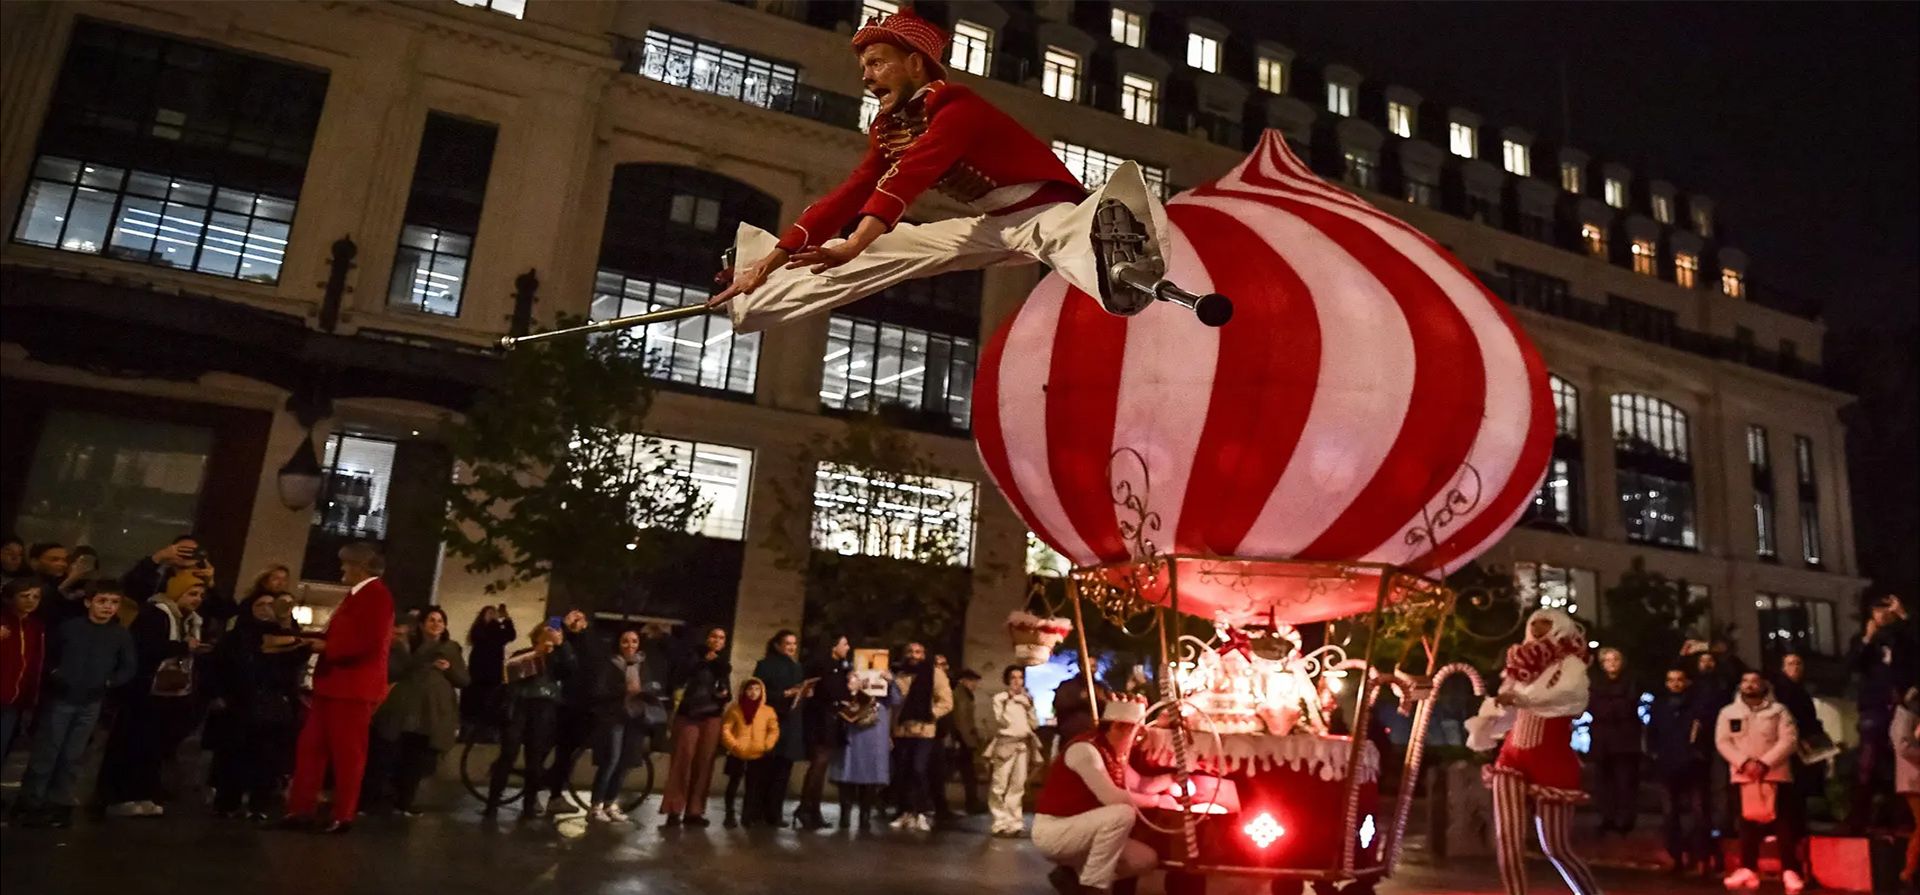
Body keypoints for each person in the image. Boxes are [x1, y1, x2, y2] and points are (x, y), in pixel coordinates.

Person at [707, 8, 1193, 335]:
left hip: (1042, 208)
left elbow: (910, 175)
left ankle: (1123, 255)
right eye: (864, 66)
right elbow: (853, 192)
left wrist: (858, 238)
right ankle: (758, 294)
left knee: (1061, 231)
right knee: (883, 251)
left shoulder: (956, 108)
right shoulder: (891, 128)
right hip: (992, 227)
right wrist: (774, 260)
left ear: (915, 64)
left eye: (877, 62)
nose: (866, 75)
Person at [1470, 608, 1602, 895]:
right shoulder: (1520, 666)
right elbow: (1502, 706)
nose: (1539, 628)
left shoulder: (1571, 664)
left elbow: (1571, 698)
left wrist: (1520, 699)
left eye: (1547, 623)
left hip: (1552, 760)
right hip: (1512, 757)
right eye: (1535, 623)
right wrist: (1496, 708)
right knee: (1507, 837)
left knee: (1555, 846)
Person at [278, 542, 395, 834]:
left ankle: (343, 814)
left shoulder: (376, 596)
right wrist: (310, 638)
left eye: (346, 564)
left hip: (351, 688)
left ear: (360, 567)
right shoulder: (362, 596)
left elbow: (368, 641)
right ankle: (301, 809)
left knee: (347, 753)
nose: (342, 569)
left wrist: (326, 646)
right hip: (336, 685)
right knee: (311, 749)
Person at [12, 584, 137, 828]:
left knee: (72, 755)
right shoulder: (70, 628)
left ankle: (59, 803)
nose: (108, 607)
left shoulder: (120, 634)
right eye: (103, 601)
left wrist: (109, 681)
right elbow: (48, 656)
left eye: (113, 602)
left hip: (91, 700)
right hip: (62, 698)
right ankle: (31, 801)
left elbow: (128, 666)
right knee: (48, 751)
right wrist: (57, 676)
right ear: (89, 602)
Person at [1031, 693, 1170, 895]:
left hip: (1087, 828)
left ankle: (1073, 877)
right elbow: (1111, 797)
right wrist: (1157, 801)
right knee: (1122, 814)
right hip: (1056, 829)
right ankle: (1092, 887)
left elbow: (1139, 784)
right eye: (1135, 733)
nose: (1137, 740)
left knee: (1145, 859)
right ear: (1116, 727)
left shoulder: (1115, 753)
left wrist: (1172, 781)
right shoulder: (1085, 750)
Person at [97, 569, 207, 817]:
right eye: (192, 593)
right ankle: (119, 796)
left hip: (166, 694)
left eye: (200, 594)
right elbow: (144, 647)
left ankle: (141, 792)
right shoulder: (156, 615)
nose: (197, 598)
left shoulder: (187, 619)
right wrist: (182, 647)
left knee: (152, 748)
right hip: (143, 692)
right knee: (132, 744)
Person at [205, 591, 309, 819]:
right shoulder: (236, 637)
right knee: (233, 754)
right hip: (238, 703)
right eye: (260, 605)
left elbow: (296, 661)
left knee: (265, 756)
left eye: (271, 605)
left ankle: (258, 803)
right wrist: (219, 694)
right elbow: (218, 666)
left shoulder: (286, 637)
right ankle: (227, 802)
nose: (266, 609)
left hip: (271, 704)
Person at [372, 606, 468, 816]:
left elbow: (463, 679)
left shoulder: (450, 647)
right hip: (405, 706)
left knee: (418, 756)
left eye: (440, 621)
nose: (436, 624)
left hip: (432, 710)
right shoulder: (409, 645)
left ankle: (405, 800)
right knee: (393, 751)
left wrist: (448, 669)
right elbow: (396, 670)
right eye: (431, 620)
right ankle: (382, 798)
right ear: (423, 624)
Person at [1716, 671, 1806, 894]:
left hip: (1776, 775)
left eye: (1754, 682)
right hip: (1743, 776)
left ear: (1763, 685)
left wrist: (1765, 763)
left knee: (1783, 824)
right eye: (1745, 681)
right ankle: (1747, 867)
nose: (1749, 685)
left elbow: (1789, 740)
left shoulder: (1779, 711)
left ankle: (1790, 870)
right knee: (1746, 824)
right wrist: (1744, 763)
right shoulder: (1728, 713)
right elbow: (1723, 741)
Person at [1848, 594, 1917, 834]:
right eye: (1878, 610)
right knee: (1868, 761)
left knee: (1902, 761)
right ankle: (1858, 819)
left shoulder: (1902, 638)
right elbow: (1854, 664)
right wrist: (1868, 637)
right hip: (1874, 705)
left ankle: (1900, 817)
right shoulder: (1865, 641)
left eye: (1887, 610)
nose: (1883, 614)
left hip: (1900, 705)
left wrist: (1904, 616)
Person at [487, 622, 568, 819]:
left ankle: (529, 805)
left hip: (544, 709)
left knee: (535, 759)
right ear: (537, 635)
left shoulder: (557, 659)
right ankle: (492, 802)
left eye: (555, 633)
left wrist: (562, 646)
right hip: (520, 707)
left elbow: (571, 667)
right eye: (547, 633)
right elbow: (511, 677)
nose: (551, 636)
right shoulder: (523, 654)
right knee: (508, 754)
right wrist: (536, 654)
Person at [659, 625, 730, 828]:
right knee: (683, 760)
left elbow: (727, 690)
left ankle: (695, 811)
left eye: (721, 637)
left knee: (705, 763)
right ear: (707, 638)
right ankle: (673, 809)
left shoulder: (722, 665)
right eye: (714, 636)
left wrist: (724, 695)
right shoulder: (692, 657)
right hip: (689, 714)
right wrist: (700, 664)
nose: (717, 640)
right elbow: (678, 679)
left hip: (712, 715)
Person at [1647, 665, 1714, 876]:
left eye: (1679, 679)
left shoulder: (1698, 706)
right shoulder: (1660, 706)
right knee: (1670, 815)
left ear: (1686, 682)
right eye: (1671, 680)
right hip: (1668, 766)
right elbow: (1652, 734)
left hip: (1693, 766)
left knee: (1699, 813)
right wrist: (1655, 754)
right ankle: (1676, 856)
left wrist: (1698, 752)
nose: (1675, 683)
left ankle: (1702, 856)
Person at [544, 609, 606, 814]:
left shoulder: (589, 642)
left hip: (581, 706)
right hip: (560, 704)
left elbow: (593, 661)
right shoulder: (559, 637)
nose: (577, 622)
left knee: (568, 753)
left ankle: (553, 787)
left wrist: (580, 631)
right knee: (551, 749)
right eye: (574, 618)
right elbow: (550, 634)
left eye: (581, 619)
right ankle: (548, 790)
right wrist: (562, 622)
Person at [587, 628, 651, 823]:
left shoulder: (643, 664)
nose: (630, 645)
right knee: (611, 760)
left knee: (625, 763)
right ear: (618, 643)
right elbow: (599, 690)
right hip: (613, 717)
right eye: (625, 641)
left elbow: (651, 686)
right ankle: (595, 805)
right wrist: (624, 690)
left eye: (634, 641)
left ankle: (610, 803)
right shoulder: (609, 664)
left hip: (635, 719)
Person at [889, 640, 952, 832]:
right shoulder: (898, 675)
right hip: (902, 731)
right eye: (910, 651)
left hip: (924, 730)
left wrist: (929, 713)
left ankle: (922, 812)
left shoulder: (935, 674)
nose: (913, 655)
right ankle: (905, 811)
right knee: (902, 772)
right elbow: (894, 706)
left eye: (918, 652)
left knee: (918, 769)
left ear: (924, 655)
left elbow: (946, 701)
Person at [1770, 652, 1831, 851]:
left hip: (1802, 745)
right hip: (1794, 747)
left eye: (1798, 663)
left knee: (1799, 792)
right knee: (1793, 793)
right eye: (1790, 664)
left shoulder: (1799, 691)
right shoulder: (1784, 691)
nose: (1795, 667)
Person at [749, 629, 806, 828]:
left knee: (783, 770)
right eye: (788, 643)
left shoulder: (797, 667)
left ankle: (775, 813)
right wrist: (784, 693)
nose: (792, 647)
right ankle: (754, 812)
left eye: (794, 643)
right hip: (769, 721)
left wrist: (803, 692)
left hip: (790, 723)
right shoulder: (765, 666)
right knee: (762, 769)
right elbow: (757, 692)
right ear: (777, 645)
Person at [796, 633, 853, 830]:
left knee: (821, 767)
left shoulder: (842, 668)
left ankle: (812, 810)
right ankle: (806, 808)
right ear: (833, 646)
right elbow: (823, 691)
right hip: (820, 721)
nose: (847, 647)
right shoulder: (821, 665)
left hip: (832, 721)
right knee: (818, 765)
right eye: (844, 644)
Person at [833, 666, 899, 832]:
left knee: (870, 774)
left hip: (875, 731)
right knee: (848, 773)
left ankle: (865, 816)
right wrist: (850, 685)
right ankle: (845, 815)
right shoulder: (850, 675)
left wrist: (891, 682)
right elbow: (839, 698)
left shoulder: (886, 677)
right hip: (853, 728)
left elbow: (897, 700)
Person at [1588, 646, 1642, 834]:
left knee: (1625, 782)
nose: (1611, 664)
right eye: (1608, 660)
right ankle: (1607, 817)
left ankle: (1625, 819)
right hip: (1603, 740)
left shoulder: (1630, 681)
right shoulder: (1596, 683)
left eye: (1615, 660)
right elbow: (1593, 705)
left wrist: (1610, 705)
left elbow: (1628, 706)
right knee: (1604, 783)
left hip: (1625, 741)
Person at [987, 665, 1042, 838]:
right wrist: (1009, 701)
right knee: (999, 783)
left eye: (1020, 677)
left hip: (1023, 745)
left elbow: (1034, 724)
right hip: (1005, 743)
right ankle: (999, 821)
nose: (1017, 681)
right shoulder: (1000, 698)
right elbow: (1000, 721)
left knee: (1018, 785)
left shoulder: (1027, 699)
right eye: (1013, 678)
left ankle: (1014, 822)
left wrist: (1028, 706)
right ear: (1007, 680)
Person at [721, 676, 780, 828]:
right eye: (750, 689)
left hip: (758, 754)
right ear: (743, 691)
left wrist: (767, 744)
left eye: (757, 689)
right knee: (733, 784)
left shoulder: (768, 711)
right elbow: (726, 729)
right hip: (737, 754)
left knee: (753, 787)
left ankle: (747, 816)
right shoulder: (735, 709)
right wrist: (734, 745)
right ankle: (730, 814)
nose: (753, 693)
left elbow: (773, 730)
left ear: (762, 691)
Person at [1, 580, 48, 767]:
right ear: (9, 598)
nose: (31, 600)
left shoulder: (35, 627)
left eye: (36, 597)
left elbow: (34, 664)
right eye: (24, 596)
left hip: (14, 700)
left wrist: (30, 697)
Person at [463, 603, 515, 737]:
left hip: (494, 669)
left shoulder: (498, 630)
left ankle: (488, 728)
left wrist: (506, 619)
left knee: (492, 697)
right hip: (479, 669)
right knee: (478, 697)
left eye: (494, 613)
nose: (492, 616)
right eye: (489, 613)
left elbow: (510, 635)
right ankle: (473, 727)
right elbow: (480, 637)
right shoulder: (479, 629)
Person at [119, 535, 201, 611]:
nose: (187, 554)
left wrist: (211, 584)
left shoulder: (201, 578)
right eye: (182, 550)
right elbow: (129, 589)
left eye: (192, 552)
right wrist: (157, 557)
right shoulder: (159, 574)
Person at [950, 667, 987, 817]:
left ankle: (972, 801)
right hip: (963, 739)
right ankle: (972, 802)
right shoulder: (961, 695)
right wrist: (969, 741)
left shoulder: (964, 694)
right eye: (972, 681)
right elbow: (962, 720)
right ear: (964, 680)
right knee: (968, 773)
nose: (975, 685)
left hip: (963, 738)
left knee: (968, 773)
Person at [1891, 690, 1919, 887]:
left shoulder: (1906, 715)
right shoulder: (1905, 716)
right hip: (1913, 779)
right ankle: (1907, 872)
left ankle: (1908, 872)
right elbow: (1904, 747)